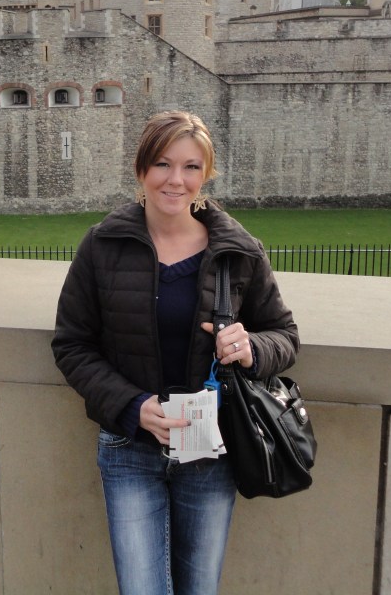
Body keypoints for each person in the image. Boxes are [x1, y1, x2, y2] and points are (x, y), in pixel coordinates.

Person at [52, 110, 299, 594]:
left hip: (212, 450)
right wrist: (131, 406)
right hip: (129, 450)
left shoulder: (237, 250)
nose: (176, 180)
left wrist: (250, 347)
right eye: (163, 164)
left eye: (191, 167)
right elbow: (72, 344)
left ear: (206, 173)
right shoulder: (102, 245)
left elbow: (284, 335)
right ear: (141, 168)